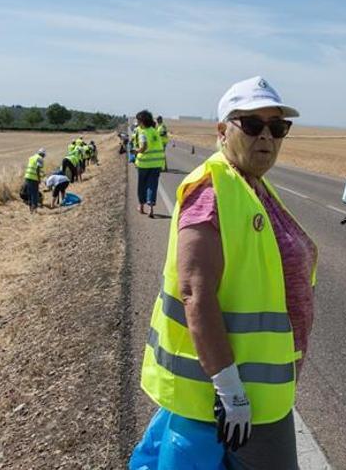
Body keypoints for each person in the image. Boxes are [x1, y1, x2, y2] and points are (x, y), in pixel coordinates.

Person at [130, 76, 316, 470]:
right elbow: (195, 293)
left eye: (277, 127)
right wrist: (231, 392)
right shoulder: (212, 191)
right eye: (251, 125)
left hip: (261, 392)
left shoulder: (251, 185)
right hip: (239, 399)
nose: (266, 136)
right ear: (222, 131)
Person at [133, 109, 166, 217]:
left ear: (142, 121)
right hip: (157, 163)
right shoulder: (154, 131)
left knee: (142, 185)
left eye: (138, 121)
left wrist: (136, 151)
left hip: (144, 164)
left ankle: (141, 206)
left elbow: (144, 146)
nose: (137, 123)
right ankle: (151, 208)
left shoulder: (143, 132)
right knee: (152, 185)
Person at [23, 148, 46, 213]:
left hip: (27, 177)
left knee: (29, 193)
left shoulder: (32, 157)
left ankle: (31, 208)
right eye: (44, 155)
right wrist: (39, 179)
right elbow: (37, 169)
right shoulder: (40, 158)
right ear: (42, 154)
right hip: (34, 178)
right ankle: (35, 208)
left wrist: (42, 174)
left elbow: (33, 167)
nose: (44, 157)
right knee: (35, 193)